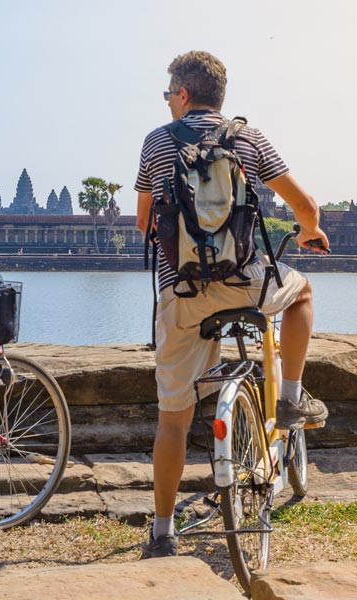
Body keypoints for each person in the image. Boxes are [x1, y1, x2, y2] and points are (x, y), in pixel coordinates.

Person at [134, 51, 330, 558]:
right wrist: (310, 232)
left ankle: (161, 531)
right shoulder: (247, 138)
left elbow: (144, 225)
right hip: (246, 284)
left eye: (167, 93)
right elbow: (306, 207)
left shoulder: (157, 142)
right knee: (302, 292)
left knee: (172, 418)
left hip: (179, 292)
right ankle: (289, 395)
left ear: (181, 94)